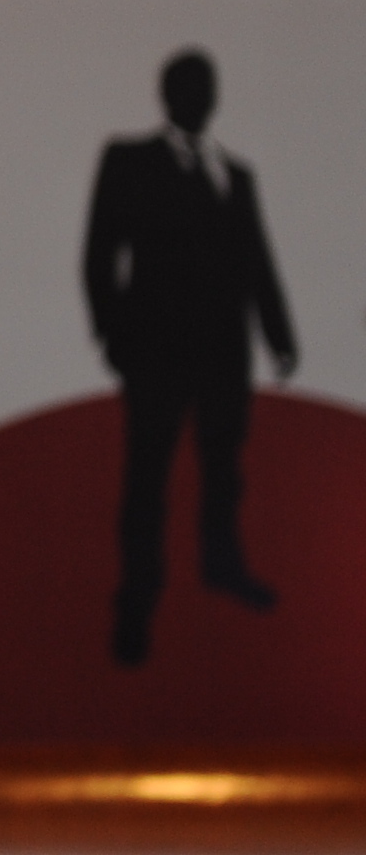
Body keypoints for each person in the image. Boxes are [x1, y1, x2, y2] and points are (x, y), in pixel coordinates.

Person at [81, 48, 298, 668]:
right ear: (167, 95)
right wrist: (114, 336)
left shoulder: (235, 174)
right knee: (148, 478)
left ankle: (222, 565)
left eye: (206, 89)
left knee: (223, 469)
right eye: (187, 88)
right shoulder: (128, 160)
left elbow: (257, 261)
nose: (198, 100)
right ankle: (137, 599)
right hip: (155, 354)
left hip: (225, 353)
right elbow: (100, 252)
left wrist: (278, 336)